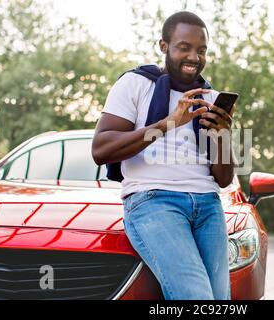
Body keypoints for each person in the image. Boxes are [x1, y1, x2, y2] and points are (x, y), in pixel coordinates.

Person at [92, 11, 235, 300]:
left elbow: (224, 178)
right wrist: (168, 123)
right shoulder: (135, 84)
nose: (194, 56)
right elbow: (101, 150)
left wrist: (222, 135)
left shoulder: (209, 97)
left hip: (208, 204)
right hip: (154, 200)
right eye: (184, 47)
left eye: (202, 50)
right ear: (163, 46)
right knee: (195, 296)